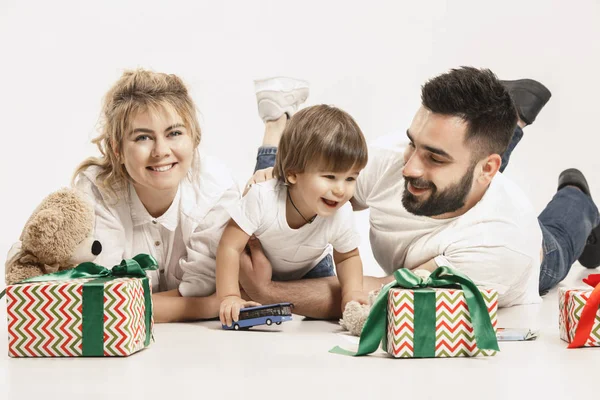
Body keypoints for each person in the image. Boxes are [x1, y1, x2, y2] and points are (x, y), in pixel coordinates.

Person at [237, 67, 600, 319]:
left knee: (565, 228)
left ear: (490, 168)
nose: (408, 167)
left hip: (538, 255)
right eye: (415, 145)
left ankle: (577, 194)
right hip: (471, 179)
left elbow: (382, 293)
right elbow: (294, 198)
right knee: (452, 172)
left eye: (433, 157)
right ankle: (510, 118)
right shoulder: (399, 156)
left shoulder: (501, 247)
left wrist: (269, 294)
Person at [71, 69, 257, 323]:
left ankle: (276, 125)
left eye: (174, 133)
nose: (160, 151)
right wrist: (208, 306)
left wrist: (206, 299)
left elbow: (202, 286)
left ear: (194, 138)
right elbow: (99, 300)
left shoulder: (216, 189)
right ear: (118, 150)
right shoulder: (96, 190)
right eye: (143, 137)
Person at [216, 78, 369, 327]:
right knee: (265, 176)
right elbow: (229, 246)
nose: (341, 190)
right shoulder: (263, 198)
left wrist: (352, 294)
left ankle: (285, 127)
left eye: (351, 178)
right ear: (294, 173)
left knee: (328, 311)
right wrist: (229, 296)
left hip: (311, 266)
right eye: (330, 176)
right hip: (261, 260)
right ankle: (275, 122)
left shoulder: (341, 213)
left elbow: (347, 257)